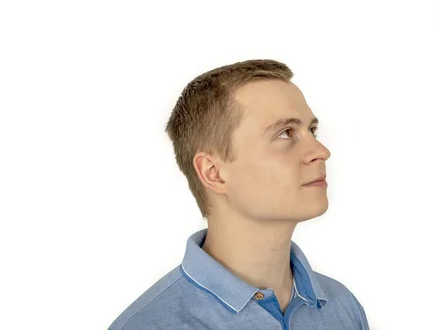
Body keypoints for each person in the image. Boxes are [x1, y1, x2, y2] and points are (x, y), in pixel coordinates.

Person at [108, 59, 370, 329]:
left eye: (311, 130)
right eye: (286, 133)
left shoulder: (342, 307)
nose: (321, 151)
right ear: (213, 172)